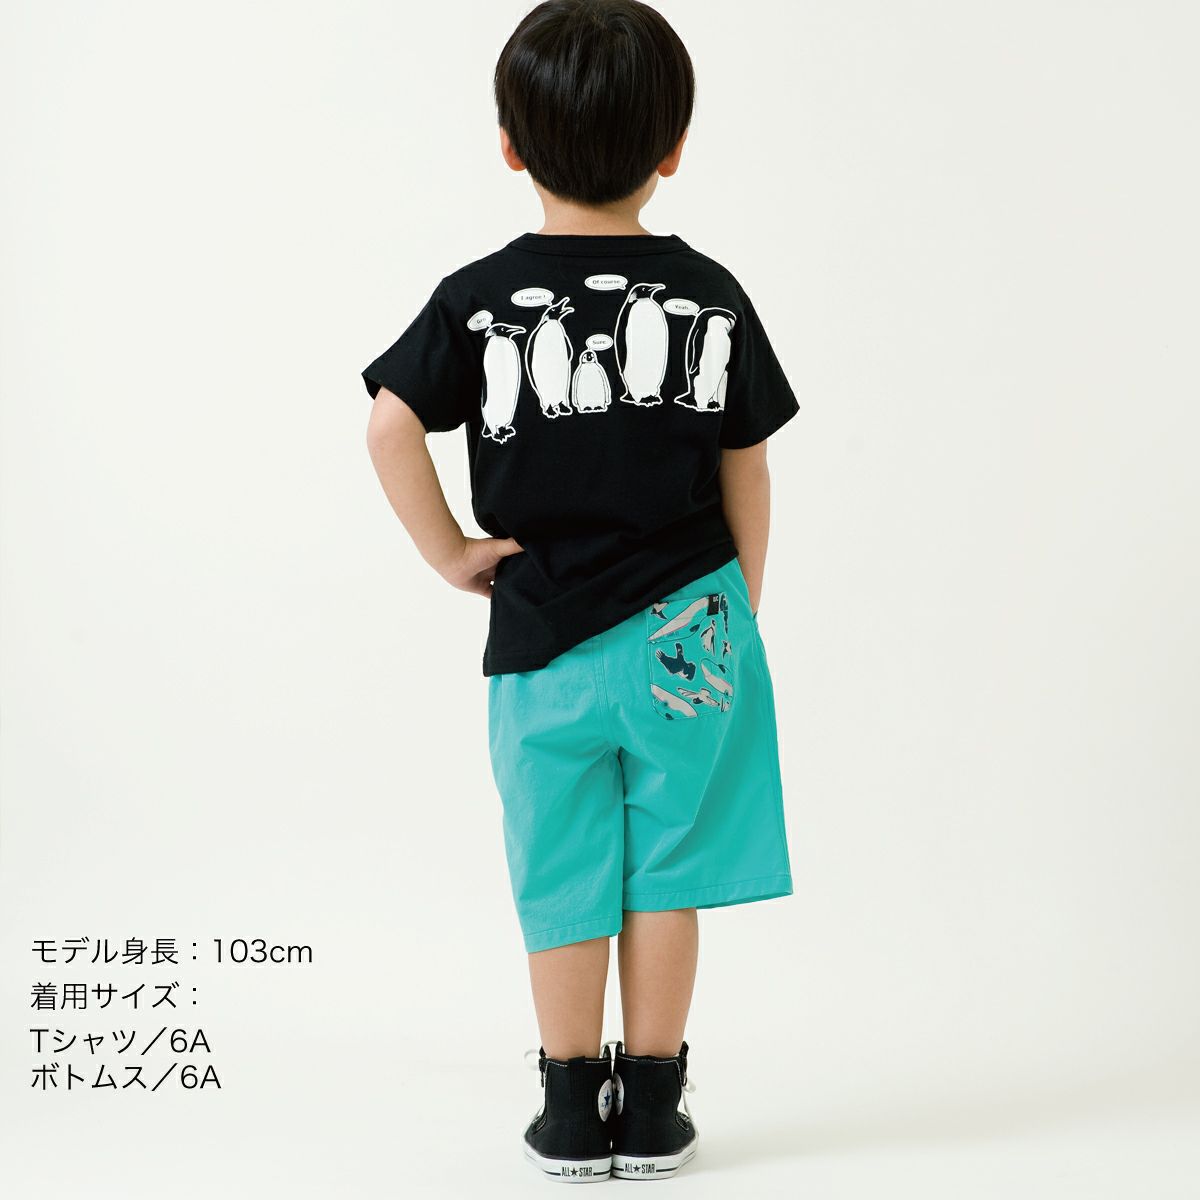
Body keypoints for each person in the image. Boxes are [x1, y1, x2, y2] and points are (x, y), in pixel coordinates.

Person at [362, 0, 798, 1182]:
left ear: (510, 146)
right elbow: (747, 464)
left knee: (561, 871)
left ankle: (567, 1111)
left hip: (542, 638)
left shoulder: (475, 297)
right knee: (667, 868)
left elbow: (390, 424)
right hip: (691, 629)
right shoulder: (710, 294)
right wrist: (739, 605)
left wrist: (451, 551)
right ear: (674, 148)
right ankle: (651, 1109)